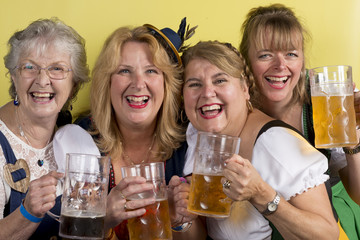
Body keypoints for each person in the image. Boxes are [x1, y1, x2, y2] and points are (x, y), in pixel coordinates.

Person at [169, 40, 339, 239]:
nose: (207, 93)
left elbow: (327, 235)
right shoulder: (198, 136)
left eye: (220, 80)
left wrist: (262, 195)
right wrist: (182, 219)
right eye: (195, 84)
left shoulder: (275, 143)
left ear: (244, 89)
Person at [73, 19, 205, 239]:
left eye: (151, 71)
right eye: (124, 71)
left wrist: (178, 219)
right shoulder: (83, 137)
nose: (138, 83)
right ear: (107, 83)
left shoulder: (187, 139)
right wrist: (104, 220)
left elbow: (200, 237)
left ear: (167, 84)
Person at [239, 4, 360, 239]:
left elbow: (358, 195)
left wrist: (351, 137)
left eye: (291, 54)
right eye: (265, 55)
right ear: (246, 62)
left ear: (302, 61)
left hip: (327, 220)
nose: (280, 65)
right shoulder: (236, 106)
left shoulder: (324, 101)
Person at [0, 18, 90, 239]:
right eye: (29, 67)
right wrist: (27, 213)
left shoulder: (77, 138)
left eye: (57, 69)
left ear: (74, 84)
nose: (42, 80)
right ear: (14, 75)